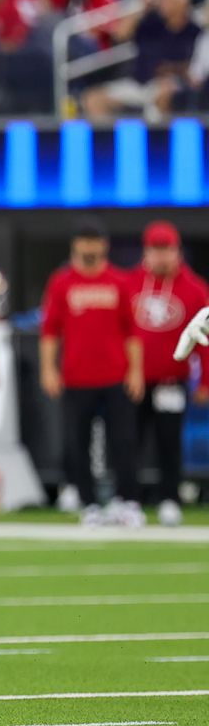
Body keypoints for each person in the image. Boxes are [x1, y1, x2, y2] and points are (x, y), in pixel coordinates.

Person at [40, 220, 144, 527]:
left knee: (123, 441)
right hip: (76, 377)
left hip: (115, 376)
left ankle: (128, 502)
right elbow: (50, 331)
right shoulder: (61, 282)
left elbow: (131, 332)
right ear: (75, 246)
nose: (89, 248)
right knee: (77, 443)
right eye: (84, 242)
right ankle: (89, 504)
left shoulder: (119, 281)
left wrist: (136, 371)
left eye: (94, 241)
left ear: (104, 246)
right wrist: (48, 369)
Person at [127, 222, 209, 528]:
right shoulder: (130, 284)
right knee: (130, 442)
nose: (161, 257)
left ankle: (169, 499)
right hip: (134, 381)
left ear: (177, 252)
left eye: (167, 250)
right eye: (155, 250)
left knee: (169, 443)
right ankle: (129, 500)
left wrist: (205, 380)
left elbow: (205, 336)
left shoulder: (195, 288)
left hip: (171, 380)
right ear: (146, 252)